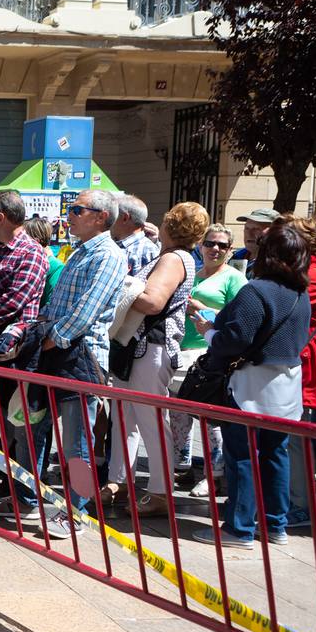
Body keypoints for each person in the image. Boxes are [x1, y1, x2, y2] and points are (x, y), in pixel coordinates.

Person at [192, 223, 311, 549]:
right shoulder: (301, 294)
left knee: (242, 456)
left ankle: (240, 528)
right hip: (286, 386)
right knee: (275, 454)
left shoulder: (256, 291)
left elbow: (234, 340)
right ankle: (275, 525)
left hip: (250, 385)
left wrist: (208, 332)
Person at [19, 189, 128, 540]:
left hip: (82, 357)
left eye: (78, 209)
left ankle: (77, 512)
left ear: (100, 217)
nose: (70, 214)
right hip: (56, 353)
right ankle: (30, 498)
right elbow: (55, 305)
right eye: (71, 208)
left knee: (77, 443)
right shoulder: (80, 252)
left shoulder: (109, 255)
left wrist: (52, 339)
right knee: (34, 427)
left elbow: (85, 311)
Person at [107, 203, 206, 518]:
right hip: (144, 348)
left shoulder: (172, 259)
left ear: (169, 226)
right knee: (127, 417)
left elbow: (152, 301)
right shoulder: (177, 258)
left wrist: (118, 284)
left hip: (151, 347)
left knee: (148, 418)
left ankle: (160, 492)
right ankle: (119, 481)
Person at [0, 191, 47, 498]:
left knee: (5, 413)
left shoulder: (31, 252)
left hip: (5, 343)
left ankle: (4, 478)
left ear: (1, 217)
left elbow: (14, 302)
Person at [169, 224, 244, 499]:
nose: (215, 249)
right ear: (201, 245)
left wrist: (204, 310)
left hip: (211, 356)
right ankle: (182, 465)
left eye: (222, 246)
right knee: (178, 414)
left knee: (209, 419)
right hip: (182, 352)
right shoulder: (193, 274)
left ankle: (215, 474)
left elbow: (241, 319)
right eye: (210, 243)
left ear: (229, 250)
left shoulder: (234, 279)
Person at [278, 215, 316, 530]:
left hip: (304, 366)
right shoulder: (299, 272)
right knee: (287, 437)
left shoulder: (313, 276)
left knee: (296, 439)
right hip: (293, 363)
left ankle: (299, 505)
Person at [112, 194, 159, 277]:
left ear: (125, 218)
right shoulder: (112, 244)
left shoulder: (148, 250)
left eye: (113, 214)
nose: (110, 218)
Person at [23, 217, 64, 308]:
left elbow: (52, 303)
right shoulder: (24, 261)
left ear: (36, 241)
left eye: (23, 238)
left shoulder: (55, 266)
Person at [231, 208, 277, 278]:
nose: (249, 234)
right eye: (247, 228)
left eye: (256, 229)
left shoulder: (277, 263)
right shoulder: (238, 256)